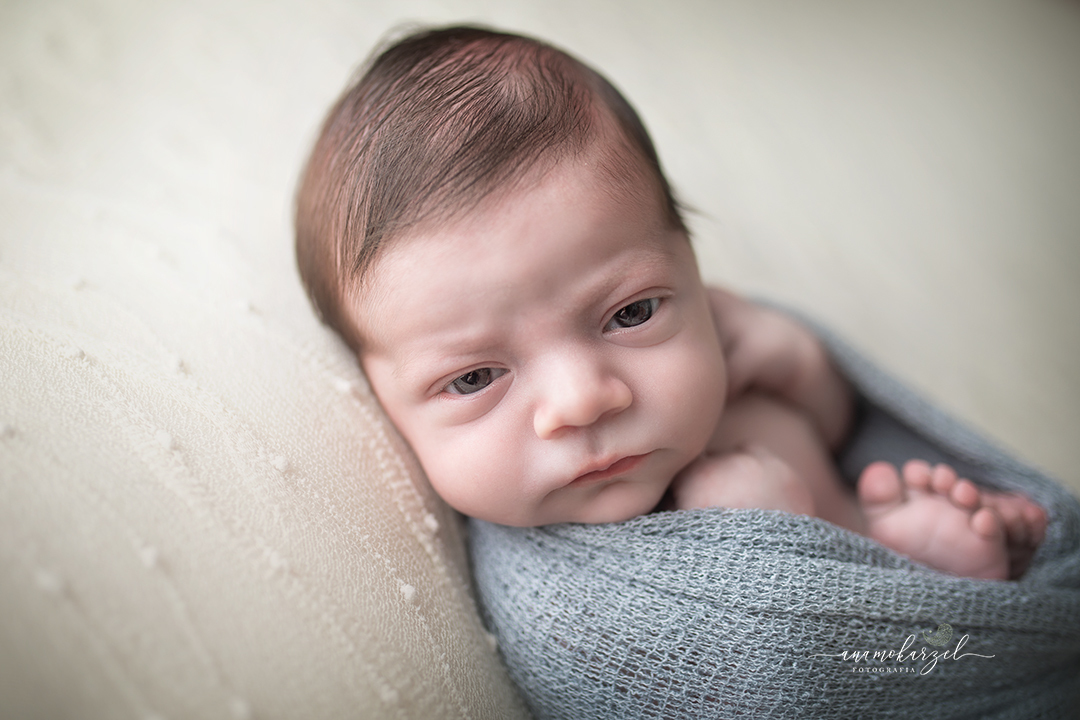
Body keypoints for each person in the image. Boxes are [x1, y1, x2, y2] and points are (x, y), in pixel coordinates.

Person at [295, 25, 1045, 580]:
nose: (583, 400)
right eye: (473, 378)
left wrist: (807, 373)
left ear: (691, 269)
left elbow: (838, 431)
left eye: (631, 314)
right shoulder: (556, 585)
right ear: (383, 398)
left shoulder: (728, 345)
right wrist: (769, 547)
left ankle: (921, 562)